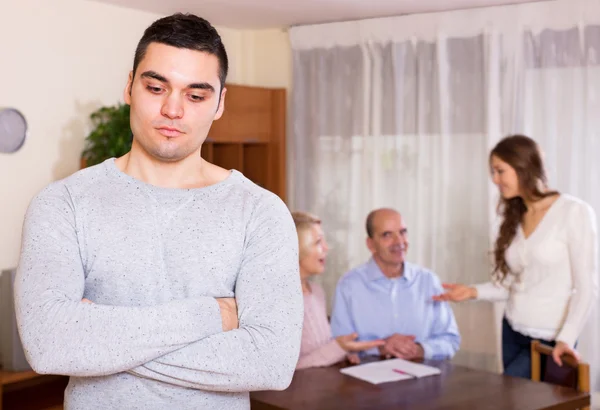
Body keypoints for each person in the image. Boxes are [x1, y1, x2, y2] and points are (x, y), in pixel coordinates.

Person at [14, 13, 303, 410]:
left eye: (195, 95)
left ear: (220, 103)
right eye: (156, 87)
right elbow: (50, 345)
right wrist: (211, 315)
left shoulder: (262, 214)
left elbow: (271, 363)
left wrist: (101, 341)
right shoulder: (63, 203)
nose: (173, 109)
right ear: (129, 86)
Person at [434, 134, 598, 379]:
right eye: (493, 172)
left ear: (523, 166)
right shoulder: (514, 217)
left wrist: (567, 339)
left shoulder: (573, 212)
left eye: (500, 171)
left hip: (550, 342)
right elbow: (513, 286)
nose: (495, 180)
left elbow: (587, 287)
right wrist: (471, 292)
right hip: (512, 332)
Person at [330, 208, 461, 361]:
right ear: (371, 244)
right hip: (367, 381)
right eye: (387, 235)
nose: (399, 242)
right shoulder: (349, 285)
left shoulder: (428, 281)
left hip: (423, 379)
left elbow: (450, 340)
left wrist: (420, 349)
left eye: (403, 232)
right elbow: (338, 347)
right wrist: (380, 348)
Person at [291, 212, 384, 369]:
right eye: (318, 242)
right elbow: (283, 374)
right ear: (296, 248)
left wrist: (343, 353)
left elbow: (320, 351)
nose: (327, 248)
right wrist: (338, 348)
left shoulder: (316, 291)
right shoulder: (275, 301)